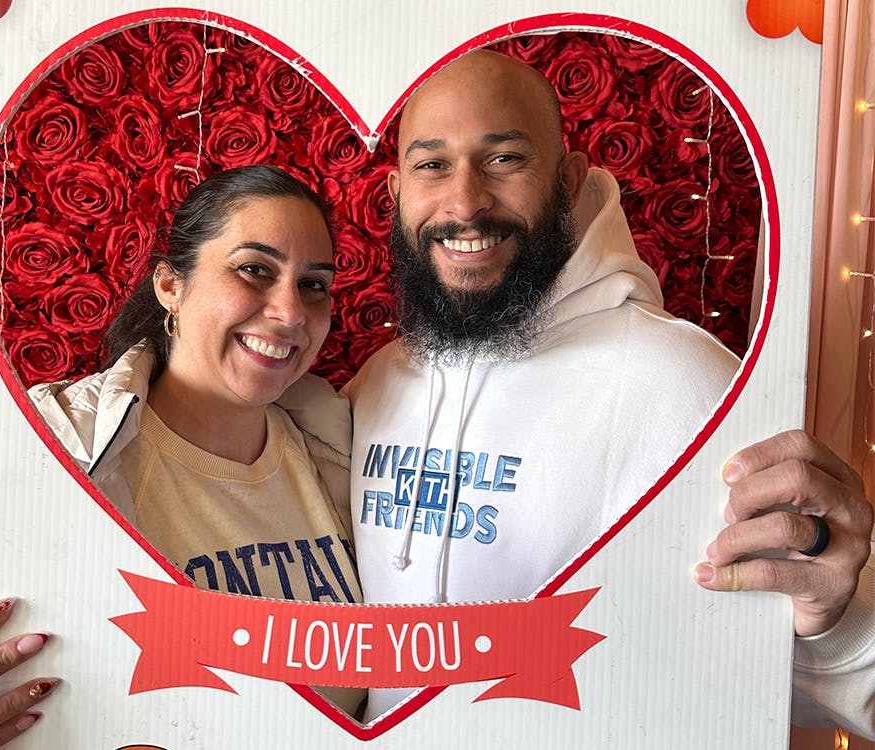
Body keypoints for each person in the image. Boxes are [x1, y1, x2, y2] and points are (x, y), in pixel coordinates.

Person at [344, 49, 875, 734]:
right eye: (431, 164)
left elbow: (814, 683)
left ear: (568, 181)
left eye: (504, 159)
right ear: (396, 195)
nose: (465, 201)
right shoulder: (378, 381)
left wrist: (837, 629)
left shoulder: (683, 380)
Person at [0, 164, 363, 746]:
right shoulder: (53, 442)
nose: (291, 312)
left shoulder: (342, 450)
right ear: (170, 286)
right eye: (254, 270)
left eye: (314, 284)